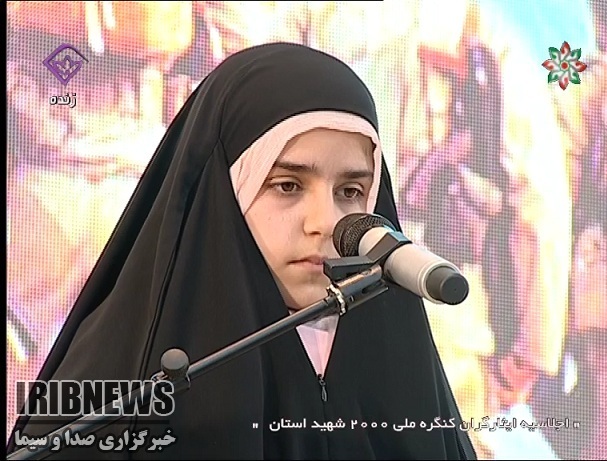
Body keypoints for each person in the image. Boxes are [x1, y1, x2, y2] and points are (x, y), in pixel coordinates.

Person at [8, 42, 476, 460]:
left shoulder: (405, 378)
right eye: (288, 185)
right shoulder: (115, 394)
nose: (325, 223)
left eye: (350, 192)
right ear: (221, 190)